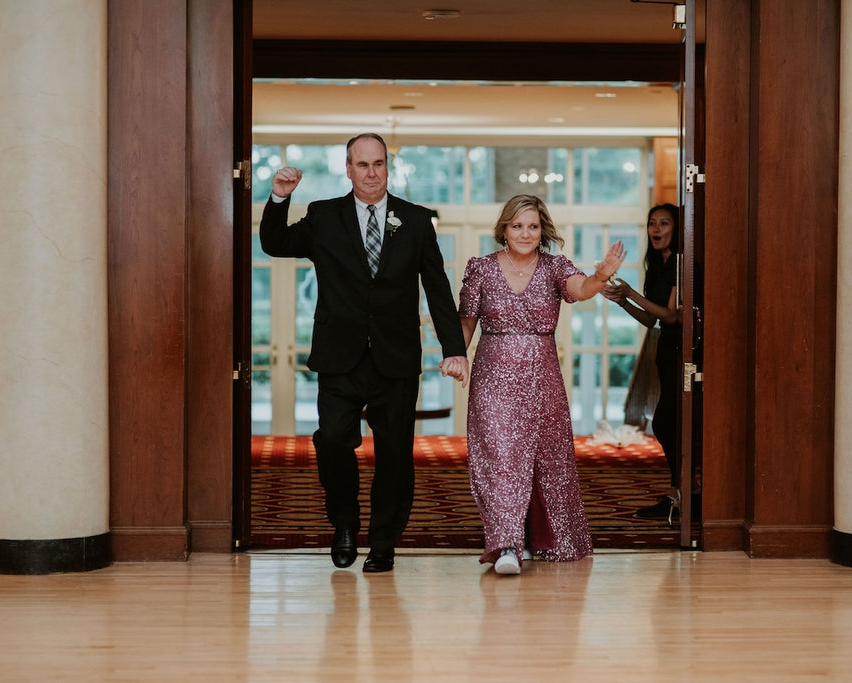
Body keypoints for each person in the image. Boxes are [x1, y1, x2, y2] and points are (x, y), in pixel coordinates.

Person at [259, 133, 469, 573]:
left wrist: (454, 349)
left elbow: (436, 286)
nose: (371, 173)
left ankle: (384, 543)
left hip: (396, 360)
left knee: (394, 454)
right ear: (348, 168)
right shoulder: (323, 216)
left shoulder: (414, 220)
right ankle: (345, 524)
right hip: (339, 357)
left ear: (387, 168)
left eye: (378, 164)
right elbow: (274, 243)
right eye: (362, 165)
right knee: (333, 441)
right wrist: (279, 197)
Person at [458, 194, 626, 575]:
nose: (525, 233)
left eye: (533, 226)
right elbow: (466, 321)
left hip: (542, 377)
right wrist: (456, 354)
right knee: (500, 457)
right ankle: (505, 546)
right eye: (517, 225)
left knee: (542, 458)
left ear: (542, 230)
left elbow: (580, 289)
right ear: (504, 229)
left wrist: (600, 276)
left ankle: (539, 538)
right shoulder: (481, 268)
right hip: (493, 376)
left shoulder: (554, 267)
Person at [602, 203, 682, 523]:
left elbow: (672, 315)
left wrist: (631, 291)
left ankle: (682, 494)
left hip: (682, 352)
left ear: (677, 229)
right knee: (667, 424)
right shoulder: (658, 266)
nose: (657, 230)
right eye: (652, 224)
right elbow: (651, 319)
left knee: (666, 423)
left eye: (664, 224)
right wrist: (623, 301)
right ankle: (679, 493)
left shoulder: (680, 262)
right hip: (665, 349)